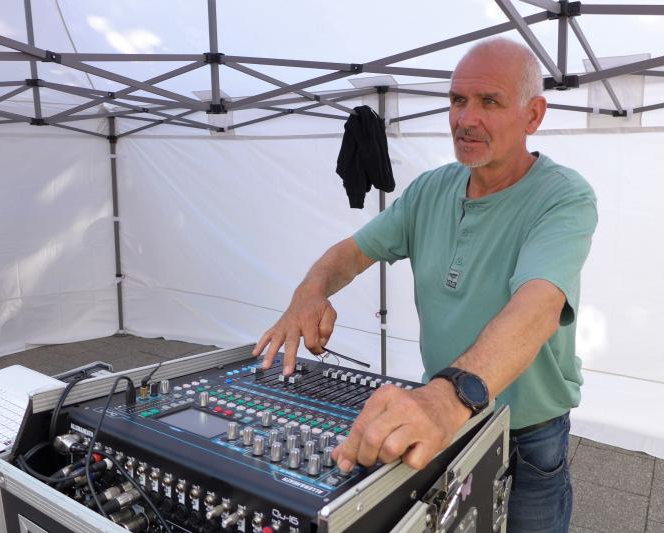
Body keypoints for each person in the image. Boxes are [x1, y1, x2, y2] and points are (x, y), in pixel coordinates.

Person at [253, 37, 597, 532]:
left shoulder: (563, 196)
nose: (465, 119)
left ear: (533, 115)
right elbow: (352, 252)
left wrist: (446, 397)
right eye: (457, 100)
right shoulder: (430, 189)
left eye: (489, 102)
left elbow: (538, 306)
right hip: (447, 420)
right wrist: (309, 294)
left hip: (526, 435)